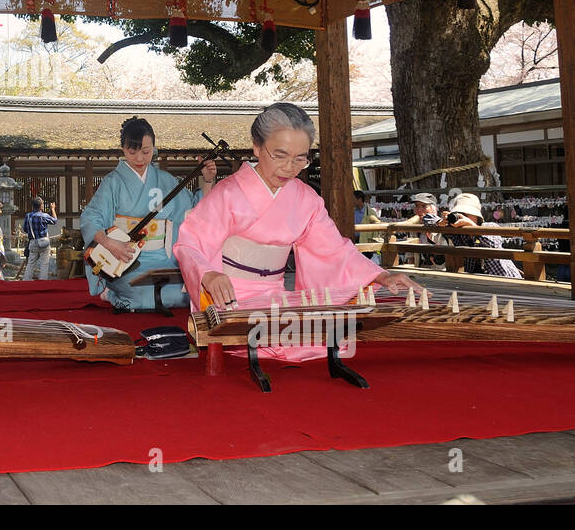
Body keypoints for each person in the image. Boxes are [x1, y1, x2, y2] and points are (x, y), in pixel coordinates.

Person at [176, 103, 420, 361]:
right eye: (279, 155)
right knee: (275, 339)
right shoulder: (227, 194)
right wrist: (209, 274)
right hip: (229, 299)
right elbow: (191, 243)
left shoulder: (306, 199)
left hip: (275, 296)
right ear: (257, 147)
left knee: (325, 337)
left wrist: (380, 276)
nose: (289, 167)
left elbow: (334, 250)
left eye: (300, 158)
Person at [80, 116, 216, 312]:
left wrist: (208, 181)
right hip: (126, 261)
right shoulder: (113, 182)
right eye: (132, 152)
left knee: (187, 294)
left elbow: (196, 209)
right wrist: (111, 244)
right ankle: (112, 293)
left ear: (154, 147)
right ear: (123, 149)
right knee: (143, 297)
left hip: (163, 260)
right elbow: (91, 218)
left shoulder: (166, 181)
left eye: (146, 151)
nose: (139, 159)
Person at [443, 192, 521, 279]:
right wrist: (441, 222)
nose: (462, 217)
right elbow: (428, 219)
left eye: (466, 214)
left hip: (504, 278)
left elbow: (492, 244)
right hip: (478, 283)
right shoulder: (459, 234)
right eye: (459, 214)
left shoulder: (489, 226)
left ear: (476, 216)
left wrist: (472, 227)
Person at [400, 191, 443, 266]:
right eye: (417, 206)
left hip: (439, 269)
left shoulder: (441, 225)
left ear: (434, 208)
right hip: (420, 267)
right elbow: (411, 256)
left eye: (424, 206)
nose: (419, 210)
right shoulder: (414, 227)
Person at [21, 197, 58, 280]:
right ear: (41, 206)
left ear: (32, 206)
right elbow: (55, 220)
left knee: (30, 264)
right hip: (44, 242)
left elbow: (25, 229)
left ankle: (26, 281)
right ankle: (43, 281)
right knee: (44, 263)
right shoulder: (44, 216)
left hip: (33, 242)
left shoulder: (28, 216)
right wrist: (53, 209)